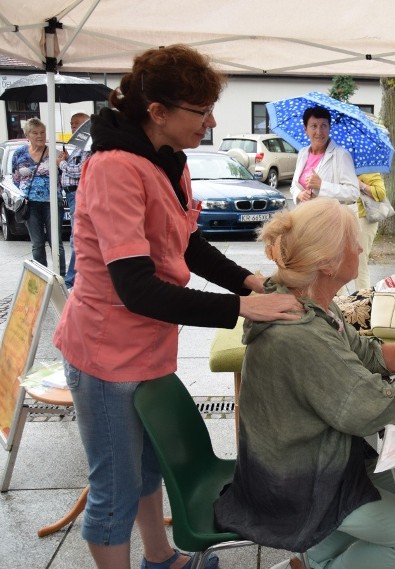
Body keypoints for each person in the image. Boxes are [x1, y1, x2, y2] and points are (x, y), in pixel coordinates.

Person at [52, 44, 304, 569]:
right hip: (105, 354)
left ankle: (162, 558)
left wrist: (253, 281)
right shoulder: (115, 168)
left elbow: (187, 244)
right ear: (158, 112)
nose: (211, 122)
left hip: (146, 345)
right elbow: (136, 287)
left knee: (146, 469)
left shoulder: (169, 161)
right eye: (200, 111)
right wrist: (239, 308)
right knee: (114, 488)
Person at [214, 197, 395, 569]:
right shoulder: (302, 332)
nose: (359, 247)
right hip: (300, 482)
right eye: (352, 241)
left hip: (306, 463)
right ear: (326, 262)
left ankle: (310, 561)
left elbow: (367, 355)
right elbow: (374, 407)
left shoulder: (308, 302)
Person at [12, 117, 68, 275]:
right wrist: (26, 191)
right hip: (30, 204)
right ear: (27, 135)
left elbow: (64, 176)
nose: (40, 136)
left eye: (42, 132)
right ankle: (42, 277)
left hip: (52, 202)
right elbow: (16, 178)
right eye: (35, 133)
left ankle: (61, 277)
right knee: (37, 243)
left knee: (56, 242)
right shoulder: (20, 153)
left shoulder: (56, 153)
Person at [289, 106, 359, 206]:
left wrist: (322, 185)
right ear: (305, 129)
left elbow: (354, 192)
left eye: (324, 126)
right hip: (305, 216)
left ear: (329, 127)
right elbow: (294, 185)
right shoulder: (303, 153)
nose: (319, 132)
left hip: (329, 218)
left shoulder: (341, 155)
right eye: (314, 126)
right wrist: (299, 194)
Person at [59, 112, 91, 289]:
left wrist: (62, 164)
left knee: (76, 237)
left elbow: (80, 170)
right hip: (70, 194)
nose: (73, 126)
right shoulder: (78, 147)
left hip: (79, 193)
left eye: (77, 123)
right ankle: (73, 277)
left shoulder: (88, 147)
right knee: (75, 236)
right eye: (71, 123)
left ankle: (72, 279)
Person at [354, 172, 386, 289]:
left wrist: (361, 185)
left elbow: (381, 193)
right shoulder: (344, 171)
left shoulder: (370, 172)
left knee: (360, 262)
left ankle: (363, 297)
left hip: (364, 219)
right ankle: (337, 299)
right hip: (345, 218)